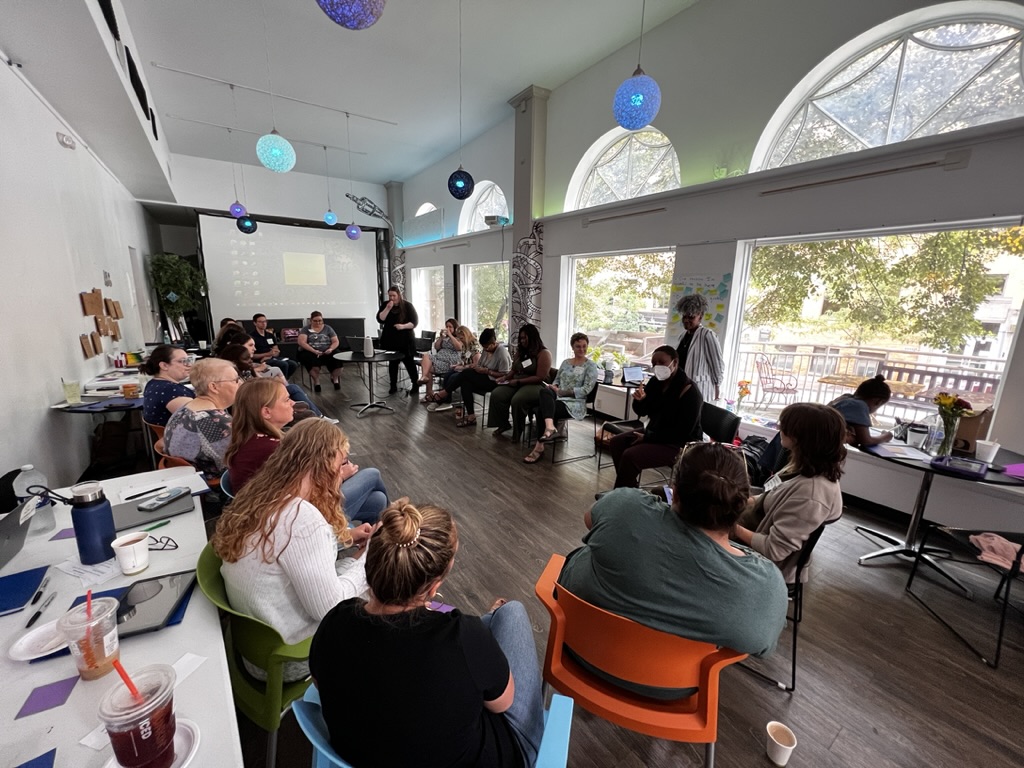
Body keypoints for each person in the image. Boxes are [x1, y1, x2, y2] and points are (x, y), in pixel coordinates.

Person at [310, 499, 545, 768]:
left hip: (354, 755)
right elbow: (504, 703)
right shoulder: (463, 637)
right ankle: (493, 619)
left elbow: (320, 683)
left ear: (370, 566)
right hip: (481, 756)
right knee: (511, 613)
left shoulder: (336, 621)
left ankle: (490, 621)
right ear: (434, 587)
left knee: (479, 633)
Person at [559, 442, 788, 699]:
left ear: (675, 493)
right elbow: (762, 647)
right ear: (742, 505)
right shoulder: (765, 586)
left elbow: (589, 519)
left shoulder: (626, 507)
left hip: (578, 650)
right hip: (668, 689)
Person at [213, 419, 374, 681]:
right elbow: (329, 609)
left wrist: (352, 547)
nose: (342, 472)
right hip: (290, 659)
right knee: (384, 587)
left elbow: (288, 559)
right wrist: (372, 557)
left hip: (255, 648)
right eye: (341, 463)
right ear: (324, 466)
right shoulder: (302, 518)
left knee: (359, 567)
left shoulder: (261, 494)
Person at [225, 379, 389, 524]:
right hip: (289, 521)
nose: (293, 403)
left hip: (271, 515)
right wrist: (340, 476)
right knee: (372, 474)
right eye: (287, 399)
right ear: (266, 412)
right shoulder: (273, 449)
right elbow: (306, 495)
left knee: (377, 501)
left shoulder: (251, 439)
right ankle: (399, 530)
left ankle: (390, 536)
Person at [733, 402, 845, 582]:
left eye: (784, 426)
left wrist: (729, 525)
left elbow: (773, 550)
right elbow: (774, 494)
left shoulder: (811, 493)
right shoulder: (803, 467)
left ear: (802, 438)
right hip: (751, 529)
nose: (779, 428)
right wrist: (743, 501)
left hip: (764, 565)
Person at [606, 345, 703, 488]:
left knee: (630, 456)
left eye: (661, 362)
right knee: (617, 443)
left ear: (675, 363)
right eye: (654, 363)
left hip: (679, 443)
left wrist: (648, 437)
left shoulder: (690, 391)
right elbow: (643, 411)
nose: (657, 366)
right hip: (655, 433)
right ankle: (629, 488)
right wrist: (639, 400)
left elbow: (682, 432)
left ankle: (622, 493)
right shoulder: (656, 382)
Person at [523, 332, 600, 464]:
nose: (581, 349)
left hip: (575, 402)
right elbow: (557, 380)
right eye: (578, 346)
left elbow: (586, 390)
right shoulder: (565, 363)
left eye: (584, 346)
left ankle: (539, 446)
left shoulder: (591, 366)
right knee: (544, 391)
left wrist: (562, 392)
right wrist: (554, 387)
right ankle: (550, 427)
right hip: (558, 396)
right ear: (573, 347)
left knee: (543, 410)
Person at [163, 358, 240, 474]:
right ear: (214, 387)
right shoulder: (217, 422)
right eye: (235, 380)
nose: (240, 384)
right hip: (212, 486)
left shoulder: (184, 409)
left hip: (184, 478)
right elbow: (237, 464)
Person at [218, 342, 323, 418]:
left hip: (265, 397)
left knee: (287, 371)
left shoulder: (246, 371)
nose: (250, 361)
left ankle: (291, 403)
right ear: (234, 361)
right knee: (283, 371)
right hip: (260, 404)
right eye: (246, 359)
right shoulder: (233, 379)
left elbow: (259, 381)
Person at [486, 324, 552, 441]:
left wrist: (518, 381)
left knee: (518, 400)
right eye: (521, 338)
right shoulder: (521, 352)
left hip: (535, 385)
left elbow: (540, 377)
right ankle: (503, 424)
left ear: (533, 337)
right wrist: (505, 378)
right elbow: (514, 369)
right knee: (497, 394)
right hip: (516, 381)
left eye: (525, 338)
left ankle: (517, 432)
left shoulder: (544, 353)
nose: (522, 341)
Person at [455, 328, 512, 428]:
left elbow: (505, 375)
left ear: (493, 343)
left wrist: (487, 371)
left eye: (486, 347)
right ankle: (471, 416)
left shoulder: (501, 353)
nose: (485, 349)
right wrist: (477, 367)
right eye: (484, 347)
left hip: (495, 382)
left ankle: (446, 392)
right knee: (465, 383)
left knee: (466, 373)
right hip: (485, 377)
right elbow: (481, 364)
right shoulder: (486, 350)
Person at [675, 293, 725, 402]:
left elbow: (717, 364)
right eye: (684, 316)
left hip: (699, 388)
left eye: (691, 317)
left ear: (700, 316)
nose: (686, 320)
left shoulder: (707, 335)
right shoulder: (683, 336)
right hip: (681, 387)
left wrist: (717, 386)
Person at [828, 374, 893, 447]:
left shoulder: (845, 398)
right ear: (878, 402)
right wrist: (886, 436)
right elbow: (866, 441)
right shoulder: (859, 406)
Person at [427, 324, 482, 410]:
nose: (460, 340)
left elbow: (476, 364)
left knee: (453, 377)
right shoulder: (465, 345)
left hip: (471, 371)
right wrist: (458, 365)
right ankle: (445, 400)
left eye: (461, 338)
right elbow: (465, 359)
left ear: (465, 335)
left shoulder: (474, 345)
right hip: (464, 367)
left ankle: (443, 399)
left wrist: (463, 367)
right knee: (448, 375)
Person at [377, 285, 419, 395]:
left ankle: (415, 384)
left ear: (399, 295)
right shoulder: (386, 305)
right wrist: (388, 308)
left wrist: (403, 326)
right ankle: (393, 385)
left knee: (409, 363)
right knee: (393, 363)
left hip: (405, 340)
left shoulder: (408, 306)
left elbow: (414, 322)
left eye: (394, 296)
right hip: (391, 340)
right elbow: (380, 319)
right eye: (390, 295)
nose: (392, 298)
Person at [141, 344, 194, 427]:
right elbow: (199, 421)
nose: (189, 365)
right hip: (180, 438)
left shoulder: (153, 383)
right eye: (182, 361)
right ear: (164, 366)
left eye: (188, 360)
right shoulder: (171, 391)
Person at [297, 311, 343, 393]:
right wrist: (314, 351)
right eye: (315, 321)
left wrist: (331, 349)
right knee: (310, 360)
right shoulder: (305, 329)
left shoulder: (328, 328)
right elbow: (302, 342)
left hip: (327, 351)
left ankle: (335, 378)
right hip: (311, 351)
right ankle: (316, 381)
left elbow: (335, 341)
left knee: (338, 358)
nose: (318, 322)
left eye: (320, 320)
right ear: (311, 320)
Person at [250, 312, 298, 379]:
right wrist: (267, 354)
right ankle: (281, 383)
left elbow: (277, 351)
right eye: (260, 322)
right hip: (260, 360)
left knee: (293, 364)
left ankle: (284, 380)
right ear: (255, 323)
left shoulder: (270, 335)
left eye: (265, 321)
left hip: (271, 358)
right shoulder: (252, 337)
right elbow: (252, 355)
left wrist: (270, 356)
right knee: (283, 365)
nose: (263, 323)